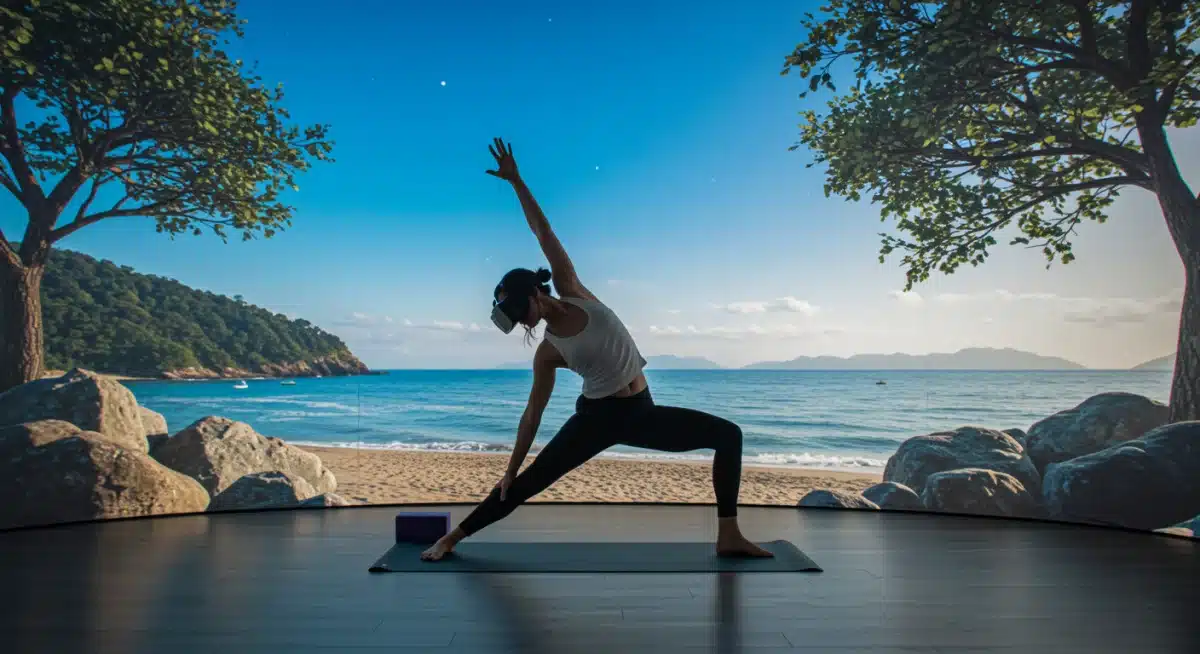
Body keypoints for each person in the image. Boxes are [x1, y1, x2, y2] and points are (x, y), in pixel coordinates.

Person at [420, 138, 773, 562]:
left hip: (642, 411)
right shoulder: (548, 352)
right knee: (527, 483)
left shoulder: (572, 289)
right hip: (596, 419)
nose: (524, 322)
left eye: (521, 311)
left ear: (535, 291)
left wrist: (516, 181)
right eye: (515, 320)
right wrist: (510, 468)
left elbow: (543, 231)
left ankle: (729, 535)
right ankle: (451, 539)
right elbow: (532, 415)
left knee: (728, 435)